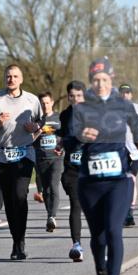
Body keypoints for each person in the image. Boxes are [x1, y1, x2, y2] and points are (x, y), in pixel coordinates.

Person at [71, 59, 138, 275]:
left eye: (104, 80)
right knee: (98, 236)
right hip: (90, 181)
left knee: (114, 230)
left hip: (118, 179)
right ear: (91, 82)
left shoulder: (123, 105)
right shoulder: (82, 108)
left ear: (111, 79)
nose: (100, 84)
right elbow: (74, 134)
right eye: (96, 81)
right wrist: (83, 135)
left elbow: (137, 128)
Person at [0, 65, 42, 260]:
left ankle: (21, 242)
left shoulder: (32, 100)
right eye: (8, 76)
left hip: (24, 154)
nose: (11, 79)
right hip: (2, 156)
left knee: (20, 196)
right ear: (4, 78)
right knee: (9, 201)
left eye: (15, 76)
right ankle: (15, 242)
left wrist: (36, 127)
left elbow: (41, 123)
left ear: (21, 79)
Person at [59, 81, 86, 261]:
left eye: (78, 96)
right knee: (75, 204)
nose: (75, 99)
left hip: (92, 167)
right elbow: (65, 135)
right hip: (72, 167)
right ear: (68, 97)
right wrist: (60, 141)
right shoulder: (65, 115)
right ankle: (76, 244)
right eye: (72, 96)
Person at [33, 91, 63, 232]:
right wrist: (38, 130)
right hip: (41, 158)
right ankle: (49, 216)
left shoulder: (59, 118)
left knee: (53, 185)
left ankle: (52, 216)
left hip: (56, 158)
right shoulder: (36, 119)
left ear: (52, 103)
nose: (45, 105)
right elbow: (30, 139)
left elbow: (66, 135)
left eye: (47, 103)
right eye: (42, 103)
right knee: (46, 190)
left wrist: (61, 146)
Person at [118, 83, 138, 226]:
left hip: (134, 151)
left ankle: (130, 212)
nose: (125, 95)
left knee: (132, 180)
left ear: (131, 94)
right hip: (119, 150)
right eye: (122, 92)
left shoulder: (137, 108)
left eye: (128, 92)